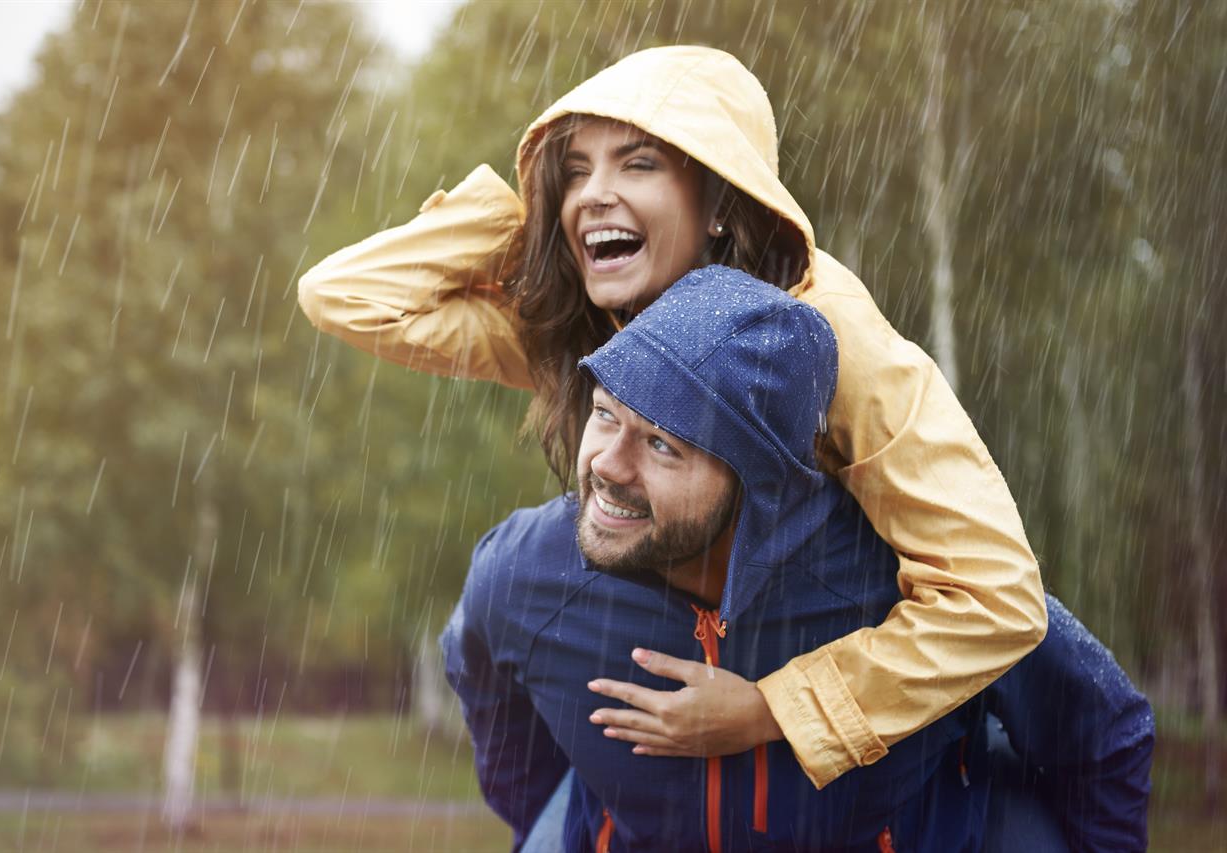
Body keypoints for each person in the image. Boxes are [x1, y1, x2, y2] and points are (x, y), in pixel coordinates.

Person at [299, 45, 1047, 789]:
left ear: (721, 202)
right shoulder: (596, 325)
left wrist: (771, 709)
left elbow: (995, 598)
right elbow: (347, 295)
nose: (592, 192)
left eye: (638, 163)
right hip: (658, 737)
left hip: (868, 775)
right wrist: (536, 223)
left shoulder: (834, 340)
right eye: (576, 169)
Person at [441, 267, 1152, 852]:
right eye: (605, 414)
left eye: (663, 445)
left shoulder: (921, 588)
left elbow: (1105, 731)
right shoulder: (526, 572)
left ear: (760, 484)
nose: (608, 466)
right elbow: (495, 713)